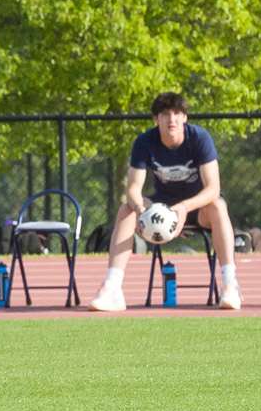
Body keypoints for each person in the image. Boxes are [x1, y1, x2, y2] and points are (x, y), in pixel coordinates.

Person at [89, 91, 242, 311]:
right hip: (160, 207)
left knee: (218, 205)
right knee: (126, 209)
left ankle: (230, 284)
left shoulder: (200, 139)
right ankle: (112, 289)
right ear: (155, 119)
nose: (172, 119)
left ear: (185, 117)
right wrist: (141, 210)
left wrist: (184, 207)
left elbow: (213, 188)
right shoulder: (144, 142)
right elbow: (133, 188)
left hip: (196, 207)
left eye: (177, 113)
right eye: (165, 114)